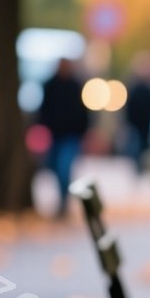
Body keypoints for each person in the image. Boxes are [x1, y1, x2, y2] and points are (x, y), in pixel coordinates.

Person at [37, 57, 88, 215]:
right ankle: (62, 197)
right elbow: (43, 110)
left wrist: (82, 131)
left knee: (64, 167)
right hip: (55, 135)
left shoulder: (75, 86)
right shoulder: (50, 85)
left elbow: (83, 113)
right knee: (55, 167)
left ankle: (63, 200)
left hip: (71, 136)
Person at [122, 52, 150, 172]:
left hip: (141, 124)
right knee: (138, 147)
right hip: (140, 124)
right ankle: (138, 167)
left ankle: (138, 167)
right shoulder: (141, 88)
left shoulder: (139, 87)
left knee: (139, 147)